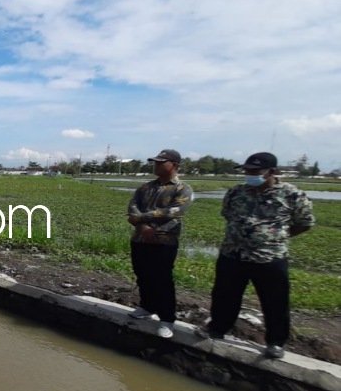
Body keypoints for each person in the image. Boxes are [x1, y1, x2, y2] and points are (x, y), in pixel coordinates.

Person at [201, 152, 315, 359]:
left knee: (275, 301)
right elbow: (227, 215)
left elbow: (304, 222)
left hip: (269, 257)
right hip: (232, 254)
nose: (249, 174)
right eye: (247, 171)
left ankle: (276, 342)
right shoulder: (236, 192)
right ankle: (217, 328)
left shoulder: (291, 194)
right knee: (224, 295)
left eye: (255, 171)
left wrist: (273, 237)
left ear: (272, 172)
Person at [126, 149, 194, 338]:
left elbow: (175, 211)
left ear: (174, 165)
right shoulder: (145, 188)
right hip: (140, 239)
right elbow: (132, 207)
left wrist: (144, 220)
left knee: (162, 279)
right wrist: (143, 226)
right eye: (155, 162)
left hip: (163, 241)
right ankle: (147, 306)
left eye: (160, 162)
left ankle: (166, 319)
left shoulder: (182, 189)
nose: (156, 165)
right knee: (142, 274)